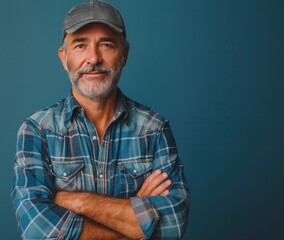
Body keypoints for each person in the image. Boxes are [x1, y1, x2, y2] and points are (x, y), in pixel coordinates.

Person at [11, 0, 190, 239]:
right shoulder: (38, 130)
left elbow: (173, 226)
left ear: (124, 53)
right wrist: (133, 219)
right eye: (80, 45)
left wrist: (78, 202)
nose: (93, 58)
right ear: (64, 57)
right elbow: (36, 228)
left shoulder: (154, 130)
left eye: (106, 45)